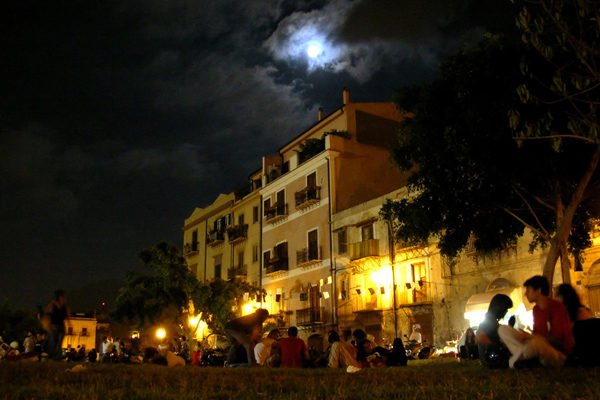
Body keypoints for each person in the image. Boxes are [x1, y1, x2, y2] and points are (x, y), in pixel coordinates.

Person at [498, 276, 573, 368]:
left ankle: (515, 361)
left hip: (557, 353)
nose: (525, 293)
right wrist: (526, 337)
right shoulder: (536, 310)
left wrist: (533, 338)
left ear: (538, 290)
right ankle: (524, 359)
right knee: (503, 329)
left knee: (537, 344)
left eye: (528, 290)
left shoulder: (557, 308)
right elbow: (536, 335)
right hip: (537, 348)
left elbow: (559, 340)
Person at [556, 284, 600, 367]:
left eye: (557, 295)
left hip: (588, 350)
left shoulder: (580, 312)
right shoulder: (566, 313)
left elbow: (590, 334)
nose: (555, 298)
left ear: (564, 296)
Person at [476, 293, 512, 369]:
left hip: (490, 360)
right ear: (500, 308)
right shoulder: (490, 322)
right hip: (493, 361)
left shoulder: (490, 320)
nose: (506, 312)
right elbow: (483, 339)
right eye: (505, 309)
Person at [46, 289, 70, 361]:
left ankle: (57, 359)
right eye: (63, 296)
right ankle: (54, 359)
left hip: (61, 328)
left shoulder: (64, 307)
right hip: (53, 327)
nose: (65, 298)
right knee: (54, 344)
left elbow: (67, 316)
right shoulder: (53, 305)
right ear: (60, 297)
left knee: (59, 345)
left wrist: (68, 324)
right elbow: (48, 315)